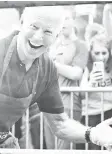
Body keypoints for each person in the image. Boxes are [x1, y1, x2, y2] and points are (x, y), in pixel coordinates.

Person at [0, 6, 112, 151]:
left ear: (57, 36)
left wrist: (92, 133)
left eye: (48, 32)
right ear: (22, 22)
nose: (38, 37)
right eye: (34, 27)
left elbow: (60, 125)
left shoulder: (47, 69)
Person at [44, 14, 88, 149]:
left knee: (64, 149)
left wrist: (52, 64)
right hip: (48, 104)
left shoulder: (81, 45)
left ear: (73, 21)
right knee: (50, 149)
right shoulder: (52, 45)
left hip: (69, 104)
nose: (62, 23)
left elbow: (76, 73)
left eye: (66, 19)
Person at [77, 32, 112, 150]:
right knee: (94, 150)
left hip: (109, 113)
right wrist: (91, 83)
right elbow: (81, 95)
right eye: (96, 53)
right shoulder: (86, 67)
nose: (101, 57)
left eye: (104, 53)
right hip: (91, 115)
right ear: (90, 53)